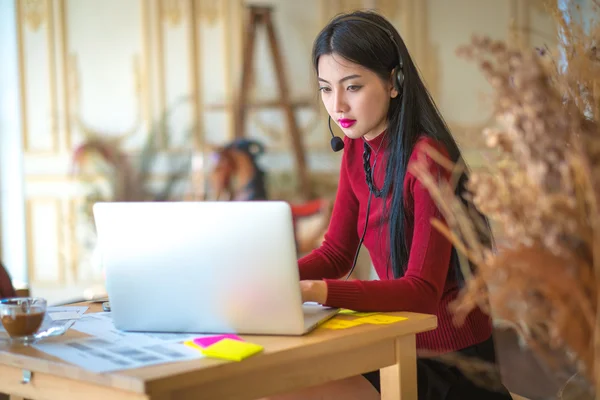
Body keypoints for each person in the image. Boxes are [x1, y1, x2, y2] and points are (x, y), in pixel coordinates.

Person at [264, 10, 513, 400]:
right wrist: (270, 277)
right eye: (326, 89)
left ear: (394, 82)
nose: (338, 106)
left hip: (451, 361)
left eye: (353, 87)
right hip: (400, 338)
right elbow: (336, 253)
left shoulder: (428, 158)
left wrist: (317, 290)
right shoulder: (355, 149)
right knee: (280, 382)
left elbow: (421, 292)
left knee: (294, 388)